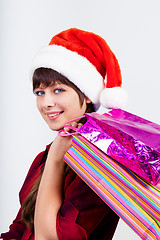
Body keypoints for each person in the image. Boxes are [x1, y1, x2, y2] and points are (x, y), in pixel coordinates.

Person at [1, 28, 127, 240]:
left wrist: (57, 161)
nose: (47, 103)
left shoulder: (100, 165)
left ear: (86, 95)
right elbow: (19, 229)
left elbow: (49, 238)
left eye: (58, 90)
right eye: (40, 92)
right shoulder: (44, 157)